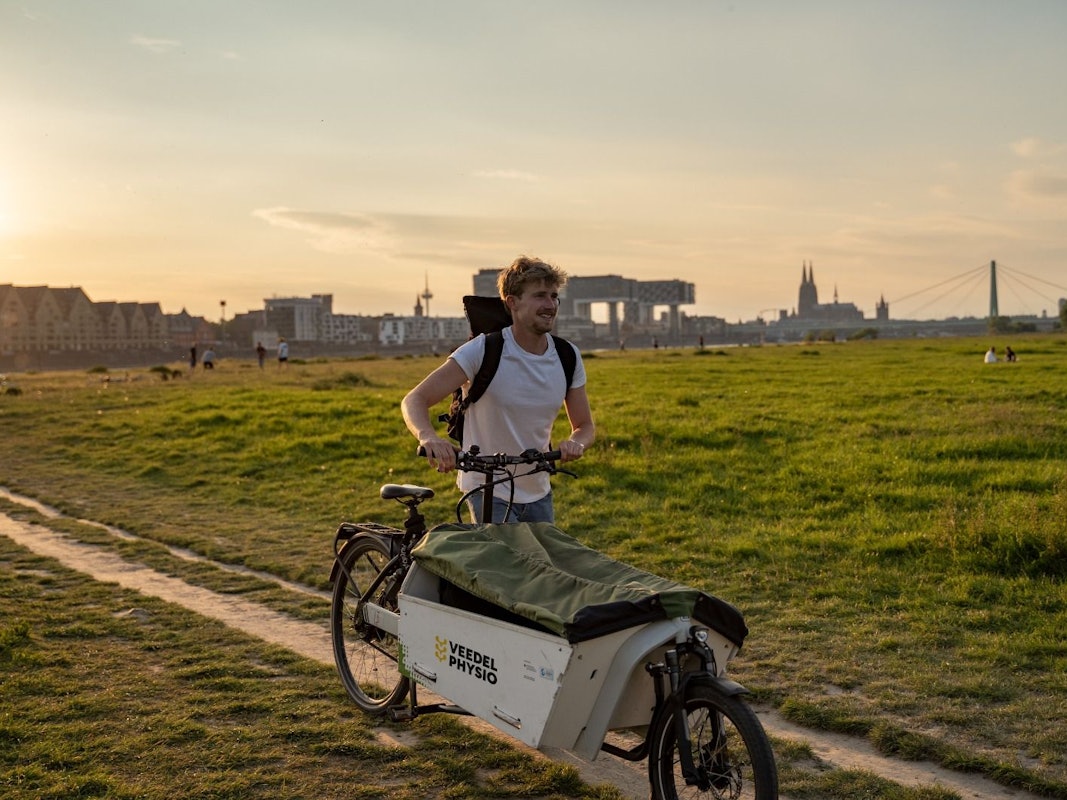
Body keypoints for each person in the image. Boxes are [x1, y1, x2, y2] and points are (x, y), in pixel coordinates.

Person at [402, 255, 595, 523]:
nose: (550, 305)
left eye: (554, 296)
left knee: (540, 564)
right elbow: (415, 399)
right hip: (487, 488)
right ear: (512, 303)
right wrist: (428, 437)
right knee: (504, 564)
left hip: (538, 488)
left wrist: (576, 443)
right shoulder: (483, 350)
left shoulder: (567, 355)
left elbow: (585, 425)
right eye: (540, 296)